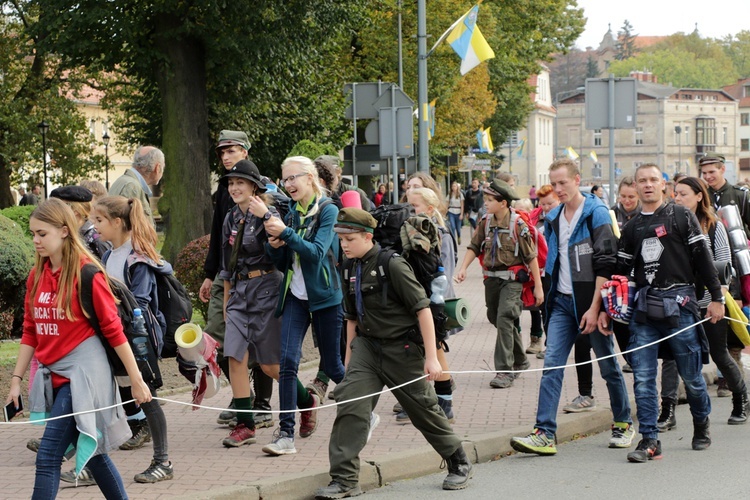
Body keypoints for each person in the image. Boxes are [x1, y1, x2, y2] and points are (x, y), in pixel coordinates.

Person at [315, 208, 472, 499]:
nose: (344, 244)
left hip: (402, 348)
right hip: (367, 348)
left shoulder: (392, 265)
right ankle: (345, 479)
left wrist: (431, 357)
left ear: (367, 236)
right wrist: (350, 359)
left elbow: (422, 309)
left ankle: (458, 460)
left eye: (350, 238)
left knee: (423, 409)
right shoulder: (349, 266)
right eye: (341, 239)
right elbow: (351, 316)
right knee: (351, 403)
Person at [5, 198, 151, 499]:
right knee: (94, 456)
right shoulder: (36, 277)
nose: (35, 240)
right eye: (33, 233)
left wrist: (136, 380)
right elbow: (30, 332)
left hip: (83, 378)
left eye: (41, 234)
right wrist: (16, 381)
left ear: (64, 231)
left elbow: (114, 332)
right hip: (53, 377)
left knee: (47, 457)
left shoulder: (88, 274)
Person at [510, 158, 633, 455]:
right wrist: (546, 293)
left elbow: (606, 261)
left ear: (577, 180)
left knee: (608, 365)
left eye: (563, 182)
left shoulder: (596, 212)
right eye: (554, 184)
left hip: (591, 303)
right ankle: (544, 432)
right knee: (552, 364)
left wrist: (596, 308)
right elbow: (552, 260)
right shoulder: (553, 218)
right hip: (562, 303)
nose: (558, 189)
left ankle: (623, 423)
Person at [604, 163, 722, 463]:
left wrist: (717, 298)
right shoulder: (631, 228)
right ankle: (650, 440)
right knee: (643, 379)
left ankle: (701, 423)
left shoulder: (681, 215)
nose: (647, 185)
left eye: (653, 180)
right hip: (645, 309)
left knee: (692, 378)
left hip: (681, 305)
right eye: (642, 180)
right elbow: (620, 272)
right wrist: (606, 307)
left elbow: (703, 259)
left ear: (663, 185)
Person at [262, 156, 346, 456]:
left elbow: (317, 252)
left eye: (293, 178)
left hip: (325, 297)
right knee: (287, 363)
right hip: (296, 297)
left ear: (310, 177)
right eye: (285, 180)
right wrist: (273, 247)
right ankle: (286, 434)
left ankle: (362, 409)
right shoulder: (293, 213)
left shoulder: (328, 210)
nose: (288, 185)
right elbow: (287, 262)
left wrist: (284, 233)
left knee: (334, 364)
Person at [91, 195, 174, 483]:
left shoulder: (137, 258)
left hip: (137, 344)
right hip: (112, 339)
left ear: (117, 222)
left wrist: (107, 305)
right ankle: (95, 466)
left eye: (99, 220)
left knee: (147, 398)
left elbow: (139, 302)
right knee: (107, 399)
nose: (94, 225)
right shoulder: (106, 254)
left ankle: (163, 461)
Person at [198, 131, 274, 429]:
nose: (225, 157)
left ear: (245, 152)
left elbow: (277, 237)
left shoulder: (264, 191)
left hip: (260, 281)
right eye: (221, 153)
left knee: (262, 350)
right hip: (228, 274)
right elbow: (218, 235)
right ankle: (245, 397)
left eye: (230, 151)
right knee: (219, 339)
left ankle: (264, 405)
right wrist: (209, 274)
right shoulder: (224, 190)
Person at [658, 177, 748, 427]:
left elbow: (724, 265)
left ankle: (741, 399)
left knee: (719, 353)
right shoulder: (669, 223)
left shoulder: (714, 226)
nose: (677, 198)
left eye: (683, 194)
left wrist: (718, 299)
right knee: (671, 358)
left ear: (699, 196)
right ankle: (668, 411)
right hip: (678, 301)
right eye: (675, 194)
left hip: (708, 302)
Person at [217, 159, 285, 447]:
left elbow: (283, 241)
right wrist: (227, 296)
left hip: (267, 289)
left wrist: (267, 214)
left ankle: (305, 402)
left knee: (270, 366)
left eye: (240, 183)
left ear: (254, 187)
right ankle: (245, 424)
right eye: (231, 183)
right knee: (234, 356)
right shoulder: (231, 218)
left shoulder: (269, 213)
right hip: (240, 292)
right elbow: (227, 262)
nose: (234, 188)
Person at [455, 179, 542, 389]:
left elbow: (531, 257)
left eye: (490, 200)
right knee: (495, 317)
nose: (485, 203)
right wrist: (463, 268)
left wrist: (538, 287)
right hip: (491, 279)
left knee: (505, 318)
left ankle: (504, 371)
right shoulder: (485, 221)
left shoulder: (517, 225)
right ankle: (520, 360)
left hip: (512, 281)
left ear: (503, 202)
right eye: (485, 199)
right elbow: (474, 246)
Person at [395, 187, 459, 424]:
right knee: (420, 352)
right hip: (417, 300)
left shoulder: (440, 234)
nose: (410, 212)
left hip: (432, 303)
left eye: (415, 207)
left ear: (430, 209)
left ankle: (444, 402)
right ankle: (429, 401)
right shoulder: (410, 234)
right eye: (408, 206)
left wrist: (435, 303)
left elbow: (444, 273)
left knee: (436, 351)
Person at [699, 152, 749, 388]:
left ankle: (731, 374)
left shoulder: (739, 196)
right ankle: (723, 374)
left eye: (712, 171)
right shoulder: (701, 197)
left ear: (722, 170)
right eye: (705, 173)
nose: (709, 176)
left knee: (733, 320)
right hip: (710, 267)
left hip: (738, 267)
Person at [524, 184, 558, 358]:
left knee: (552, 308)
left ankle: (553, 345)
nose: (545, 208)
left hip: (556, 270)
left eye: (549, 204)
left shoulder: (563, 217)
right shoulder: (534, 218)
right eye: (542, 204)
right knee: (543, 308)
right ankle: (548, 344)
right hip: (538, 270)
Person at [108, 146, 165, 227]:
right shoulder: (132, 187)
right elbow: (124, 229)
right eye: (163, 167)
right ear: (157, 168)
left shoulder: (127, 183)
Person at [50, 186, 110, 260]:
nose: (54, 213)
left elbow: (107, 267)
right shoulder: (66, 234)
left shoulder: (97, 237)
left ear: (75, 210)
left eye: (59, 207)